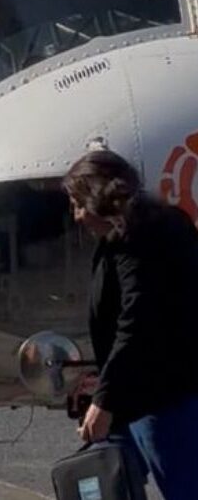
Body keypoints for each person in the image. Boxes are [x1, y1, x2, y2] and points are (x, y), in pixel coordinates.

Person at [63, 149, 198, 499]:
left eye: (78, 203)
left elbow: (138, 321)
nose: (77, 216)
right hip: (142, 394)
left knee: (182, 488)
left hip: (161, 396)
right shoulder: (153, 225)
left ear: (96, 197)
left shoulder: (138, 236)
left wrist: (104, 400)